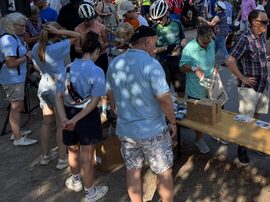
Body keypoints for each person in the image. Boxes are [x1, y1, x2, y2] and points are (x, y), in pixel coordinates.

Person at [106, 26, 175, 202]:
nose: (155, 45)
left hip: (126, 130)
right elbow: (164, 99)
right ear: (147, 41)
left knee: (133, 171)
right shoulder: (152, 64)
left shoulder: (115, 62)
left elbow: (109, 93)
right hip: (152, 130)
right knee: (164, 172)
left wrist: (116, 111)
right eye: (155, 41)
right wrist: (172, 121)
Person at [55, 32, 108, 202]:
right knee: (86, 154)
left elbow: (58, 96)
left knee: (72, 148)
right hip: (86, 116)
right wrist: (75, 120)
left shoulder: (67, 68)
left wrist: (64, 119)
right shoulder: (97, 70)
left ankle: (76, 179)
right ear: (97, 51)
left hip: (68, 112)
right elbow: (94, 102)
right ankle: (90, 192)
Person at [32, 23, 81, 169]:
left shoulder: (36, 47)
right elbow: (77, 35)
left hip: (44, 85)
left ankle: (45, 155)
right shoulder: (56, 48)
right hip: (56, 87)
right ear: (56, 33)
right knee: (61, 125)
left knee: (47, 122)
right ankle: (61, 158)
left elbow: (35, 66)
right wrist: (59, 30)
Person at [226, 9, 268, 165]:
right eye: (264, 21)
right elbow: (230, 60)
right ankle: (241, 148)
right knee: (244, 120)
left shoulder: (262, 36)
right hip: (248, 89)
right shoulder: (244, 39)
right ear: (254, 23)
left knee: (257, 117)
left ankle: (253, 142)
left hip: (263, 85)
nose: (267, 24)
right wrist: (242, 77)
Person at [0, 12, 37, 146]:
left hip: (15, 77)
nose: (24, 28)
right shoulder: (8, 40)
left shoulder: (13, 38)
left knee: (16, 106)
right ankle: (17, 138)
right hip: (12, 78)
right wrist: (27, 57)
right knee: (16, 107)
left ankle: (16, 132)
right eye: (21, 26)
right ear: (12, 25)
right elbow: (10, 63)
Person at [180, 25, 216, 153]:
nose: (207, 45)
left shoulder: (211, 42)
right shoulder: (189, 48)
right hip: (196, 87)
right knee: (199, 116)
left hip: (212, 83)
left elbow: (212, 58)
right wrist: (194, 68)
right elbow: (182, 67)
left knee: (215, 109)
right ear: (197, 37)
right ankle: (199, 139)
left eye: (209, 41)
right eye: (204, 43)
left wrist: (214, 68)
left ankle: (214, 132)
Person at [150, 0, 187, 97]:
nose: (158, 21)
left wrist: (181, 46)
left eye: (160, 18)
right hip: (162, 61)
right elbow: (152, 50)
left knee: (180, 90)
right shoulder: (154, 28)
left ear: (167, 13)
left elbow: (183, 38)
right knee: (164, 92)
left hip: (177, 61)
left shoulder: (177, 23)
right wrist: (167, 48)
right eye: (155, 19)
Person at [74, 3, 109, 74]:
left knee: (103, 75)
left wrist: (98, 50)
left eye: (91, 19)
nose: (90, 22)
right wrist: (88, 52)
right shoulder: (78, 29)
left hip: (101, 56)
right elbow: (77, 47)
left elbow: (107, 42)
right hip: (86, 59)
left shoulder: (101, 26)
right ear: (82, 19)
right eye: (87, 20)